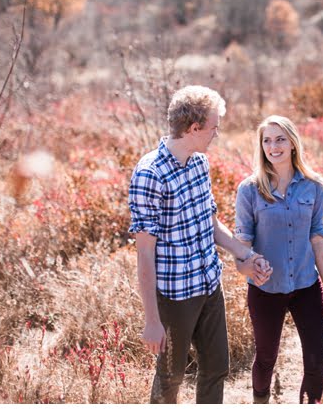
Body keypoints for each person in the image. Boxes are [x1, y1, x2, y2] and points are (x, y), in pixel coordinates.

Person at [129, 85, 273, 404]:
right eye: (213, 128)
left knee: (216, 368)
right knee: (170, 379)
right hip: (175, 296)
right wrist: (152, 321)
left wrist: (245, 255)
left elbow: (210, 222)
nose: (215, 135)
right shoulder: (150, 174)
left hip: (209, 285)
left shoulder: (199, 164)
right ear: (194, 129)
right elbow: (144, 252)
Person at [234, 115, 323, 404]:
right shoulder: (249, 189)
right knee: (266, 358)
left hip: (306, 285)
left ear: (293, 143)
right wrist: (251, 266)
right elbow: (241, 245)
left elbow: (317, 238)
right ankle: (260, 401)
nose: (273, 146)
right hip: (266, 289)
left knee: (317, 362)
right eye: (267, 140)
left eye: (280, 139)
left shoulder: (314, 186)